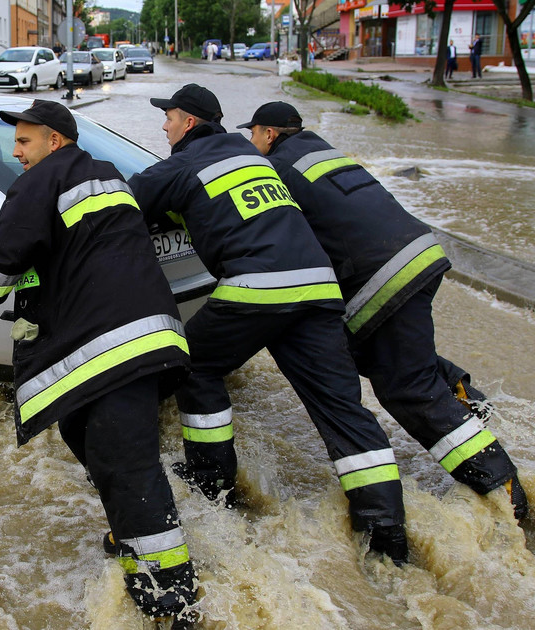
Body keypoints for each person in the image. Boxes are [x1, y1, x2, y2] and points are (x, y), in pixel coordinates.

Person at [127, 84, 410, 565]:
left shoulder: (182, 164)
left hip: (258, 288)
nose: (164, 125)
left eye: (169, 117)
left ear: (190, 123)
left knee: (194, 366)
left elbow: (124, 202)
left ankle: (211, 479)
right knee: (341, 409)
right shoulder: (250, 153)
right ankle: (386, 533)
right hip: (319, 290)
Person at [0, 100, 200, 627]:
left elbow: (3, 256)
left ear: (54, 142)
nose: (16, 153)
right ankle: (128, 533)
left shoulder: (44, 181)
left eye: (24, 142)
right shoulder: (109, 176)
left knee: (126, 463)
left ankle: (169, 600)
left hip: (109, 346)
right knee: (81, 434)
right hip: (150, 337)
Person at [238, 101, 528, 521]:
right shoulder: (323, 150)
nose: (252, 142)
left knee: (404, 387)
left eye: (254, 134)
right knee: (374, 353)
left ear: (268, 134)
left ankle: (502, 488)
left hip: (384, 276)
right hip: (420, 255)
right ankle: (460, 393)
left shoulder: (278, 168)